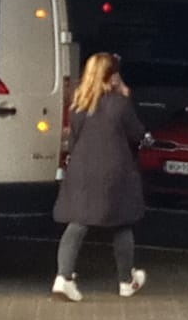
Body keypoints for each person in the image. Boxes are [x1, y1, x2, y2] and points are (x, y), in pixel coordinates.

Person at [51, 54, 149, 302]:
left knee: (78, 222)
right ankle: (126, 281)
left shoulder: (78, 103)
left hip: (82, 169)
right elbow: (137, 134)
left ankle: (63, 278)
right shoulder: (119, 103)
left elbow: (74, 138)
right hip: (114, 171)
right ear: (112, 76)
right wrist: (126, 94)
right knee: (122, 222)